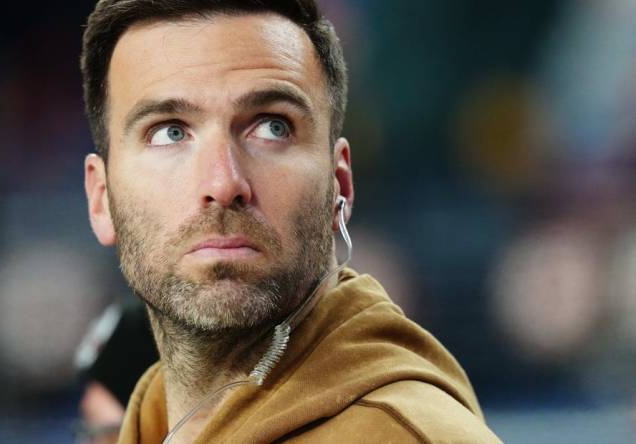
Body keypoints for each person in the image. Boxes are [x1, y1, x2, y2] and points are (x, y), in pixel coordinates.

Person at [80, 0, 502, 442]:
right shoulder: (152, 423)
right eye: (170, 131)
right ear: (101, 199)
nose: (224, 183)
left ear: (339, 184)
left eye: (272, 127)